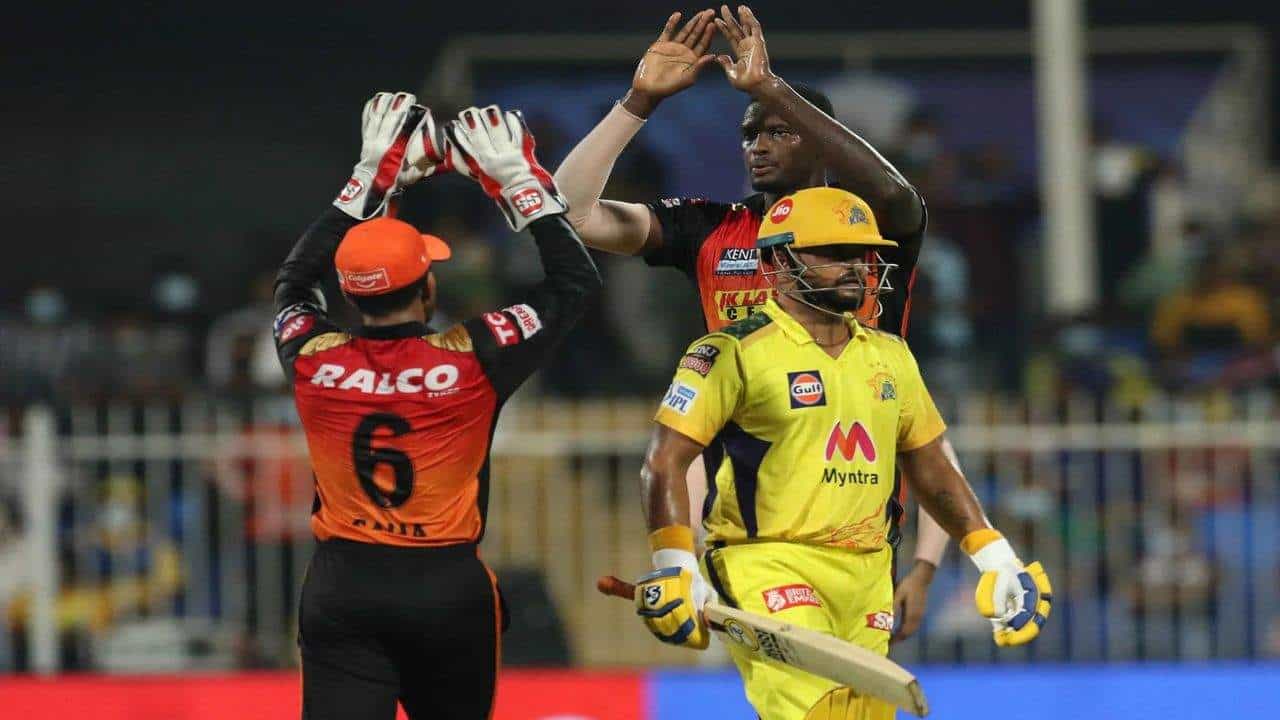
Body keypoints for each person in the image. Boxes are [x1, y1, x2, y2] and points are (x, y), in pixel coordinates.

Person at [555, 5, 947, 637]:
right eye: (749, 134)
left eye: (779, 131)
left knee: (843, 688)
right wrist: (639, 102)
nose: (758, 145)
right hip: (751, 528)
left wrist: (770, 87)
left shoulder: (873, 233)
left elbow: (900, 197)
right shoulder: (710, 228)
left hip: (859, 520)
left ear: (818, 139)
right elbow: (571, 214)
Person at [631, 187, 1052, 719]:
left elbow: (929, 463)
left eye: (861, 253)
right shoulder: (729, 352)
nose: (855, 266)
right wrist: (674, 563)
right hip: (768, 563)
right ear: (777, 263)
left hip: (868, 572)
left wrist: (995, 556)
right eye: (833, 253)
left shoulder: (891, 356)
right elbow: (664, 460)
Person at [273, 92, 600, 719]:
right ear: (427, 287)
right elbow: (574, 283)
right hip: (447, 589)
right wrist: (519, 184)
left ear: (349, 296)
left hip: (343, 586)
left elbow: (293, 282)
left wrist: (366, 180)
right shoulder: (475, 357)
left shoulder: (311, 356)